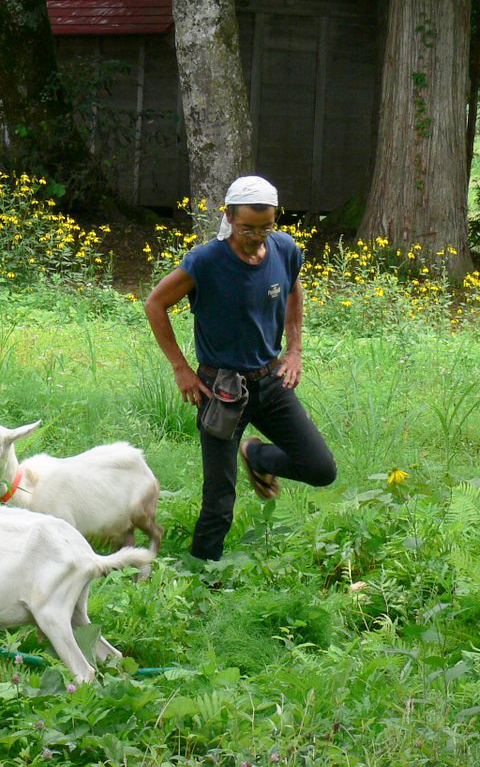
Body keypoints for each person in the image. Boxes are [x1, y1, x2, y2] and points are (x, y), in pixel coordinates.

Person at [144, 175, 337, 561]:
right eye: (248, 227)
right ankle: (200, 577)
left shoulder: (284, 249)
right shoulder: (206, 261)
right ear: (229, 216)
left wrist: (295, 348)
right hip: (221, 390)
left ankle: (259, 456)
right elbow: (154, 304)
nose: (257, 236)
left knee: (320, 468)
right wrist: (181, 368)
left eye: (266, 227)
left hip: (271, 382)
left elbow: (294, 289)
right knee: (219, 500)